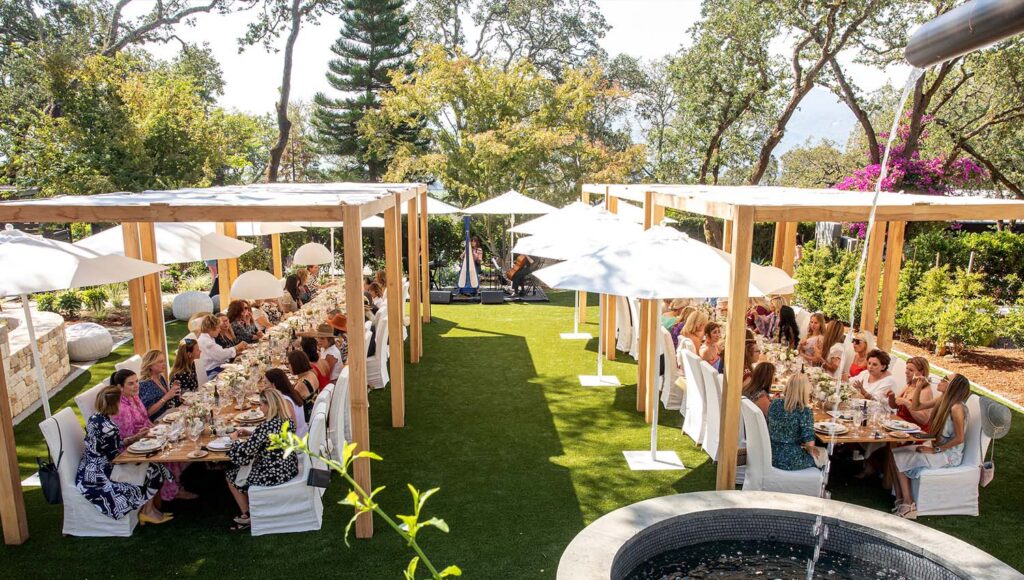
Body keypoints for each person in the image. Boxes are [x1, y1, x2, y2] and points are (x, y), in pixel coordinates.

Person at [76, 385, 171, 524]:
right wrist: (139, 456)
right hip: (101, 473)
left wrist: (136, 437)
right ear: (114, 404)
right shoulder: (106, 427)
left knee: (152, 465)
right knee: (153, 468)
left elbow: (114, 444)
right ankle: (148, 512)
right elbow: (115, 457)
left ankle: (149, 510)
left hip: (92, 466)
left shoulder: (97, 418)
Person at [890, 374, 971, 519]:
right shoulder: (943, 400)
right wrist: (919, 387)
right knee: (893, 453)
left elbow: (959, 438)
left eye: (945, 379)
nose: (940, 380)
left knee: (900, 456)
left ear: (953, 386)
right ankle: (901, 500)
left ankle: (908, 504)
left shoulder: (956, 407)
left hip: (949, 455)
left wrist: (935, 450)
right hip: (937, 446)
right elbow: (916, 407)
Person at [110, 369, 195, 502]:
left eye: (136, 381)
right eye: (131, 384)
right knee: (169, 451)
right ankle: (171, 492)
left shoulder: (134, 397)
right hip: (131, 448)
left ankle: (177, 486)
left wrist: (157, 429)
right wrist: (154, 435)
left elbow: (145, 418)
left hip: (146, 437)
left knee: (177, 438)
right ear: (120, 387)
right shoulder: (121, 408)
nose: (136, 385)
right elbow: (128, 437)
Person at [224, 388, 299, 531]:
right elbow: (268, 437)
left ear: (270, 405)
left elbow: (243, 455)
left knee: (230, 475)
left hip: (272, 474)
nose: (260, 408)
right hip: (289, 468)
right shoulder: (287, 421)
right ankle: (255, 505)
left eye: (261, 405)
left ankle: (247, 516)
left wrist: (234, 440)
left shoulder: (265, 427)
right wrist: (251, 433)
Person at [767, 374, 820, 471]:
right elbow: (810, 444)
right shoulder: (804, 411)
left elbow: (768, 426)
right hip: (791, 460)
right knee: (823, 455)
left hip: (770, 454)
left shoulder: (774, 403)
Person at [197, 314, 247, 378]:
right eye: (218, 327)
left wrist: (237, 351)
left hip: (218, 367)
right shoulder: (206, 342)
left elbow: (220, 354)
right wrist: (237, 347)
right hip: (212, 372)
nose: (219, 330)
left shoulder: (208, 338)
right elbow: (222, 355)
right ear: (211, 328)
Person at [890, 357, 934, 428]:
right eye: (906, 369)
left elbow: (924, 420)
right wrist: (891, 397)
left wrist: (907, 403)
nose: (906, 372)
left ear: (921, 372)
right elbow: (895, 406)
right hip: (899, 425)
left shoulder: (925, 391)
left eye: (911, 370)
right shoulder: (909, 385)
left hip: (913, 431)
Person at [263, 368, 308, 436]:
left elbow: (292, 427)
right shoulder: (291, 393)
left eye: (266, 383)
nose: (264, 386)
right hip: (302, 435)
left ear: (274, 385)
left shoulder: (285, 401)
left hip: (296, 441)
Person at [137, 349, 180, 420]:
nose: (164, 364)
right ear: (150, 365)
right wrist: (167, 396)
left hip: (167, 415)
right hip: (156, 422)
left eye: (164, 361)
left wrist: (174, 391)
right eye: (160, 362)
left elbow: (167, 400)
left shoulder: (160, 377)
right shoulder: (144, 384)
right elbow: (148, 413)